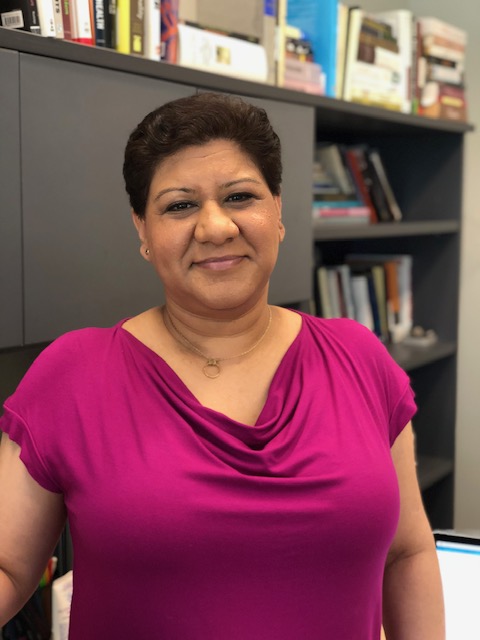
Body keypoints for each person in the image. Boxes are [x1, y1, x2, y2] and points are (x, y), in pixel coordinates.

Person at [0, 92, 445, 639]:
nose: (215, 228)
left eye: (239, 196)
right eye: (179, 206)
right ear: (142, 230)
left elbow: (407, 552)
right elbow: (8, 568)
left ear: (277, 212)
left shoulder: (360, 357)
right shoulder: (73, 375)